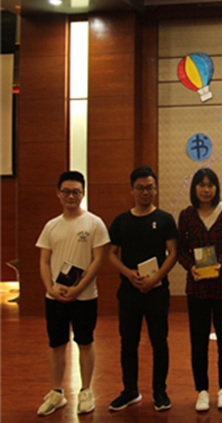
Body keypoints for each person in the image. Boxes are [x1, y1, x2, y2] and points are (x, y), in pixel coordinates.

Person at [36, 171, 110, 416]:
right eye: (66, 191)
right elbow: (44, 261)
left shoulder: (94, 223)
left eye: (76, 192)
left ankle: (86, 391)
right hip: (55, 297)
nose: (71, 196)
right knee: (57, 345)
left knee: (85, 342)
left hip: (85, 297)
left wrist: (79, 288)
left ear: (83, 193)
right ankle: (57, 393)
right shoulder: (51, 226)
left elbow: (98, 260)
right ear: (58, 194)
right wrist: (50, 288)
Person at [107, 166, 178, 412]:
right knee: (128, 342)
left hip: (157, 292)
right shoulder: (121, 221)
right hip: (129, 292)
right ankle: (130, 391)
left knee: (159, 342)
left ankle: (160, 391)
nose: (145, 192)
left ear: (156, 190)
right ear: (132, 190)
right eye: (140, 188)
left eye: (149, 188)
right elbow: (111, 254)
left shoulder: (165, 219)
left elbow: (173, 253)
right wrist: (128, 273)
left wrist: (156, 277)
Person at [176, 169, 222, 412]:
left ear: (216, 188)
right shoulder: (186, 215)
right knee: (198, 340)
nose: (206, 189)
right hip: (197, 288)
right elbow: (180, 250)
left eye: (210, 185)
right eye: (201, 185)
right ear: (194, 188)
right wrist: (191, 266)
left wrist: (220, 263)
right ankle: (202, 390)